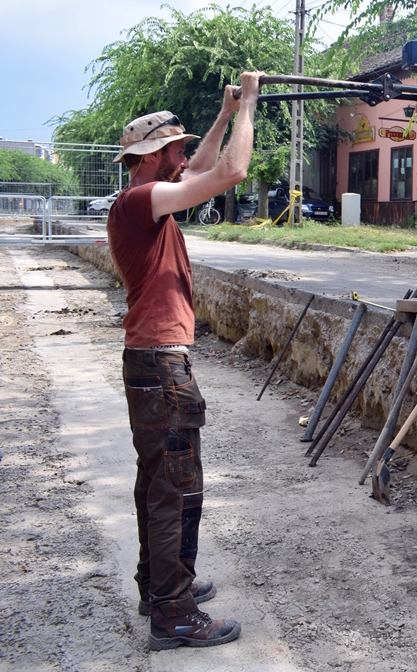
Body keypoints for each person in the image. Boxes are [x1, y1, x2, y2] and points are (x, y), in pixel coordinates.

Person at [106, 71, 262, 650]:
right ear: (149, 156)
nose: (180, 160)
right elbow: (229, 173)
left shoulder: (148, 201)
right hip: (160, 368)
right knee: (175, 487)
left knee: (160, 484)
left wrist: (223, 116)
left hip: (153, 365)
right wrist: (248, 104)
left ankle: (162, 585)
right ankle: (172, 615)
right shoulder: (141, 200)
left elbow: (199, 170)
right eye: (172, 150)